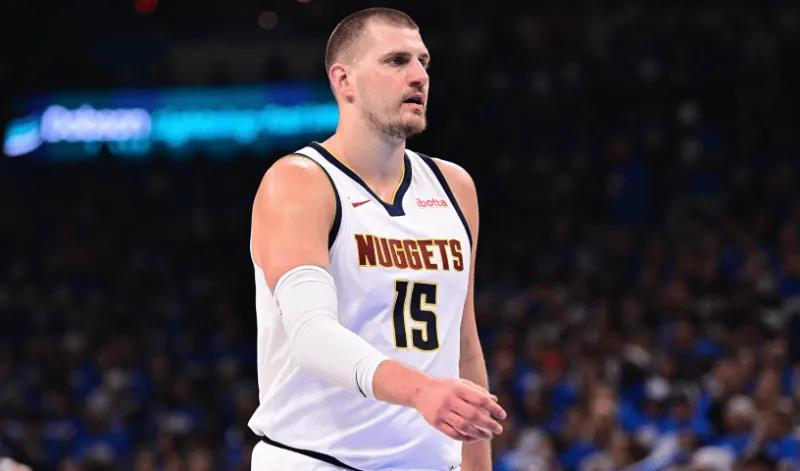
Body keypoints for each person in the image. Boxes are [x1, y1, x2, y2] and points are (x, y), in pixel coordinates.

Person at [247, 6, 506, 471]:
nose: (418, 76)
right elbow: (312, 335)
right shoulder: (300, 182)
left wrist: (478, 464)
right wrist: (421, 390)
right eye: (396, 61)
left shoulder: (454, 187)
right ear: (344, 80)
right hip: (317, 460)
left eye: (424, 62)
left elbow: (463, 343)